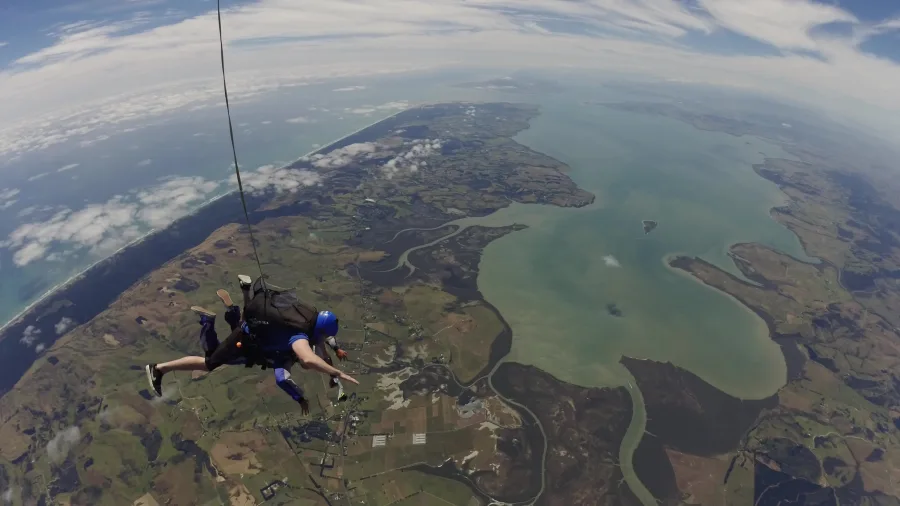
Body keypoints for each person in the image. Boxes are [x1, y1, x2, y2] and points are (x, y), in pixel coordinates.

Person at [145, 275, 357, 413]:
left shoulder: (306, 317)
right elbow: (306, 360)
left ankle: (240, 299)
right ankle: (161, 367)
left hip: (251, 334)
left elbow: (320, 352)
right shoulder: (297, 340)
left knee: (240, 326)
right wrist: (302, 398)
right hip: (246, 343)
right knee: (209, 362)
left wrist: (331, 372)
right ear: (318, 332)